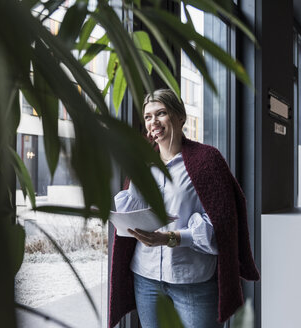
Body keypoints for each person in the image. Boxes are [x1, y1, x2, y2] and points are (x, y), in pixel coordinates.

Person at [108, 89, 259, 328]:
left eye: (161, 113)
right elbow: (133, 209)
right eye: (148, 117)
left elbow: (222, 225)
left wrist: (169, 238)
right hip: (145, 277)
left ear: (180, 117)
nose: (153, 122)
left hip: (193, 279)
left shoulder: (207, 160)